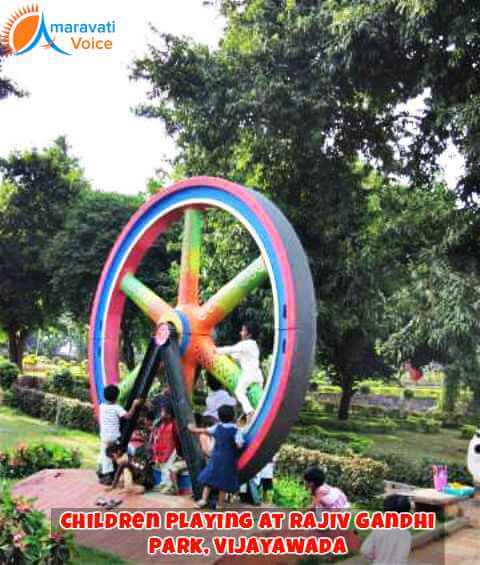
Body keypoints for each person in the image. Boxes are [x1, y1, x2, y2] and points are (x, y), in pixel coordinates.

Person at [188, 404, 244, 509]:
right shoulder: (236, 430)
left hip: (216, 458)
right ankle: (220, 504)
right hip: (228, 460)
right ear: (233, 416)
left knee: (209, 478)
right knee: (222, 482)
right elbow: (239, 444)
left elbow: (204, 430)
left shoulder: (217, 427)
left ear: (219, 417)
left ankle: (203, 500)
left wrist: (192, 429)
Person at [216, 322, 263, 418]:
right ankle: (250, 412)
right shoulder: (253, 346)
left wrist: (216, 350)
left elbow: (231, 349)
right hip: (258, 376)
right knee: (254, 396)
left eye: (243, 330)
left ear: (249, 334)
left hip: (248, 375)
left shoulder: (246, 343)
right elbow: (236, 355)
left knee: (239, 392)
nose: (240, 333)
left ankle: (249, 412)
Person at [98, 384, 143, 484]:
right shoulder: (116, 408)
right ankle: (112, 475)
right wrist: (134, 405)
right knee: (113, 455)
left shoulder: (102, 407)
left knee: (105, 456)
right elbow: (128, 416)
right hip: (114, 436)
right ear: (116, 397)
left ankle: (106, 474)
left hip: (105, 436)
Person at [360, 495, 412, 564]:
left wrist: (374, 560)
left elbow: (365, 550)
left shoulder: (379, 530)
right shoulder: (407, 534)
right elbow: (403, 556)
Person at [151, 401, 181, 493]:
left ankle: (169, 485)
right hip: (162, 448)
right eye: (161, 412)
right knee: (163, 466)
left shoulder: (174, 424)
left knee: (168, 466)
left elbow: (176, 438)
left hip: (171, 449)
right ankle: (163, 483)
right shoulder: (161, 423)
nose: (162, 414)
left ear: (170, 414)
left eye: (164, 412)